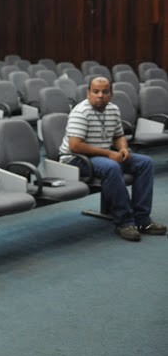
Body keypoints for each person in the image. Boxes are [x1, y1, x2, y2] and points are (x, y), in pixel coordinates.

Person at [59, 76, 166, 241]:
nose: (100, 95)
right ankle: (124, 222)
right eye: (96, 91)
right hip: (76, 159)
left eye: (105, 92)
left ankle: (142, 220)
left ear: (111, 94)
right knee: (111, 166)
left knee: (145, 163)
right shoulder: (80, 112)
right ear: (88, 93)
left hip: (101, 154)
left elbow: (118, 135)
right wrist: (109, 153)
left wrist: (123, 148)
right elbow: (75, 146)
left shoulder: (113, 109)